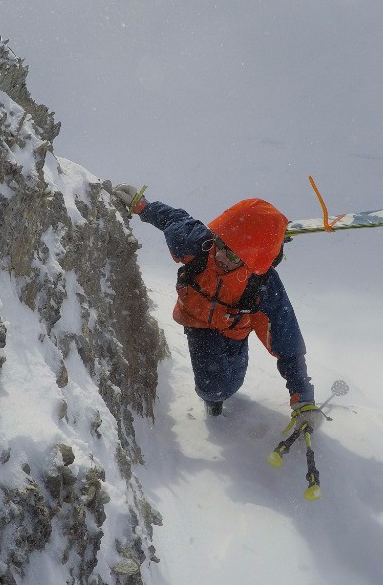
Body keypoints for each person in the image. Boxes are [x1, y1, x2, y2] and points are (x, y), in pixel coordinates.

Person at [112, 183, 322, 432]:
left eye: (233, 255)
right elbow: (172, 219)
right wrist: (142, 206)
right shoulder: (197, 243)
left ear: (252, 260)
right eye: (221, 244)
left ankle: (227, 387)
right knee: (211, 389)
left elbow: (288, 345)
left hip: (235, 330)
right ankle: (214, 404)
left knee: (233, 381)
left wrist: (303, 399)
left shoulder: (263, 285)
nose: (220, 255)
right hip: (197, 324)